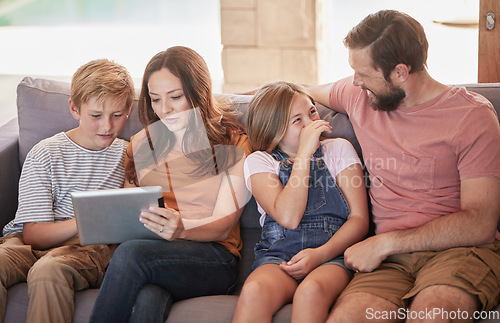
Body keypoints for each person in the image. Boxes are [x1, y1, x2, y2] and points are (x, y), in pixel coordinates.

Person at [306, 10, 500, 322]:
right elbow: (298, 92)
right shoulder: (360, 95)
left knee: (432, 315)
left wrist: (384, 243)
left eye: (364, 74)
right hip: (389, 263)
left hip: (459, 252)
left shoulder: (472, 117)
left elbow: (480, 223)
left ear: (399, 72)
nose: (355, 82)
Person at [90, 46, 251, 323]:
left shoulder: (233, 141)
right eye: (155, 99)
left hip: (215, 258)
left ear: (198, 92)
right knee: (148, 297)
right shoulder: (143, 143)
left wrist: (181, 228)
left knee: (131, 255)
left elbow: (224, 224)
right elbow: (132, 216)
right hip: (157, 254)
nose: (164, 110)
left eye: (175, 97)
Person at [0, 59, 135, 323]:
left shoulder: (128, 154)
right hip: (26, 242)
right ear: (75, 108)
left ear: (128, 109)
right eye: (96, 115)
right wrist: (86, 219)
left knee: (48, 270)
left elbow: (126, 225)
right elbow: (33, 236)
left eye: (116, 115)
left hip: (86, 248)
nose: (107, 126)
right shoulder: (46, 153)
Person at [232, 81, 369, 323]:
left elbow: (359, 219)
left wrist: (319, 255)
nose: (310, 123)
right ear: (273, 130)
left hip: (330, 256)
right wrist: (304, 155)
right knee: (254, 292)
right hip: (279, 257)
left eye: (312, 111)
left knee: (310, 291)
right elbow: (288, 217)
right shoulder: (260, 162)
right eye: (297, 120)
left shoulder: (338, 149)